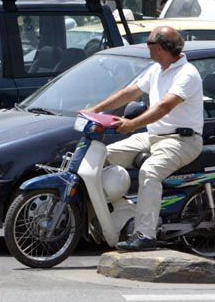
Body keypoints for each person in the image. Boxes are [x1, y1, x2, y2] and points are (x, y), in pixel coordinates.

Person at [83, 26, 203, 251]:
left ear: (159, 47)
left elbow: (164, 106)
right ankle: (125, 213)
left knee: (149, 172)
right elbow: (130, 92)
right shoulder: (157, 69)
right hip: (154, 136)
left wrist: (132, 124)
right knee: (101, 157)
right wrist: (97, 110)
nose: (146, 47)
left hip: (182, 141)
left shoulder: (187, 73)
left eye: (148, 43)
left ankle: (145, 235)